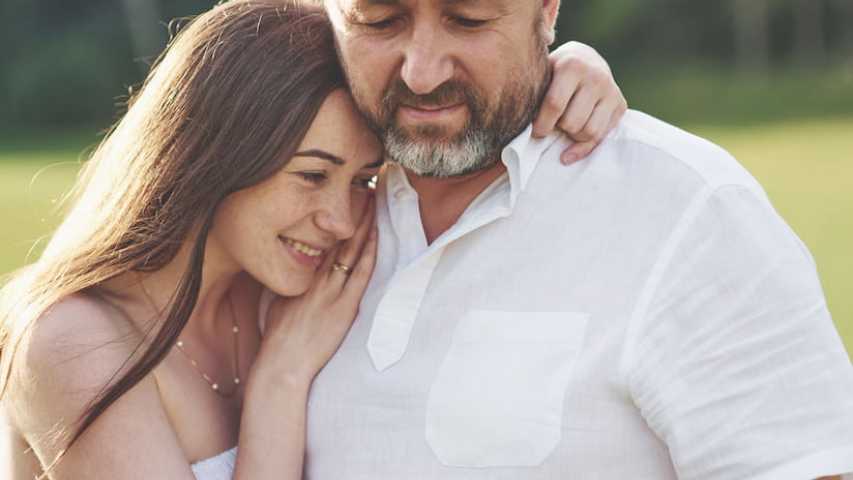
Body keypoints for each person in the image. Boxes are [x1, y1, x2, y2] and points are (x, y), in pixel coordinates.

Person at [0, 1, 628, 478]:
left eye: (362, 181)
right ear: (211, 155)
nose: (342, 220)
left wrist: (561, 67)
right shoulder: (72, 342)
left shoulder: (284, 291)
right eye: (311, 175)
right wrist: (281, 380)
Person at [291, 0, 853, 479]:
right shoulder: (288, 216)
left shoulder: (689, 208)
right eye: (379, 21)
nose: (422, 72)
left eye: (467, 19)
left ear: (548, 9)